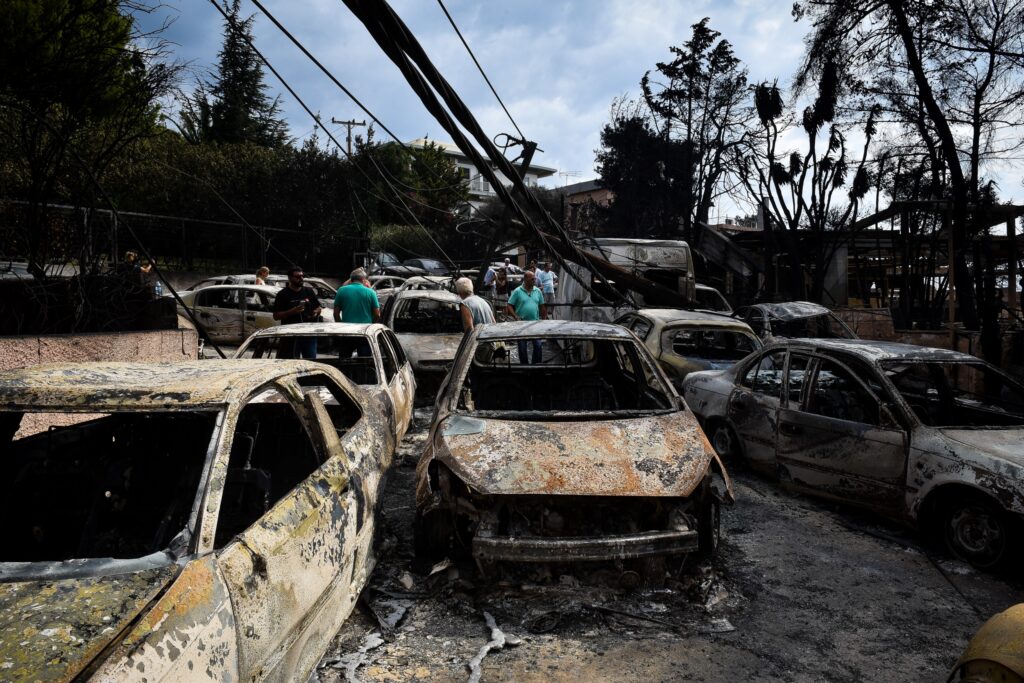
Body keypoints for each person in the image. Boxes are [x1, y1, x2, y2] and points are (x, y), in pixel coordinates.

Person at [273, 266, 322, 358]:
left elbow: (318, 307)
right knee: (291, 361)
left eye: (302, 276)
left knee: (310, 361)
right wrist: (292, 311)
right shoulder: (282, 294)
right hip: (290, 335)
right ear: (290, 278)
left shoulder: (308, 291)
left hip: (308, 333)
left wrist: (316, 312)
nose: (301, 279)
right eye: (298, 277)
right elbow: (276, 316)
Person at [333, 267, 381, 356]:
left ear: (351, 279)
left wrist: (340, 326)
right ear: (363, 280)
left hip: (346, 331)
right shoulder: (371, 292)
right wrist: (371, 325)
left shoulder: (341, 290)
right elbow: (377, 314)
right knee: (364, 359)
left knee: (344, 358)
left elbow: (336, 314)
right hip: (365, 332)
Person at [506, 271, 546, 364]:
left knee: (538, 345)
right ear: (525, 279)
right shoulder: (517, 291)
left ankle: (536, 365)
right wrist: (515, 316)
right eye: (532, 279)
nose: (534, 280)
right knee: (522, 347)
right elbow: (509, 305)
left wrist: (543, 320)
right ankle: (524, 366)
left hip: (535, 323)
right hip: (521, 323)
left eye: (534, 279)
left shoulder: (538, 291)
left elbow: (542, 306)